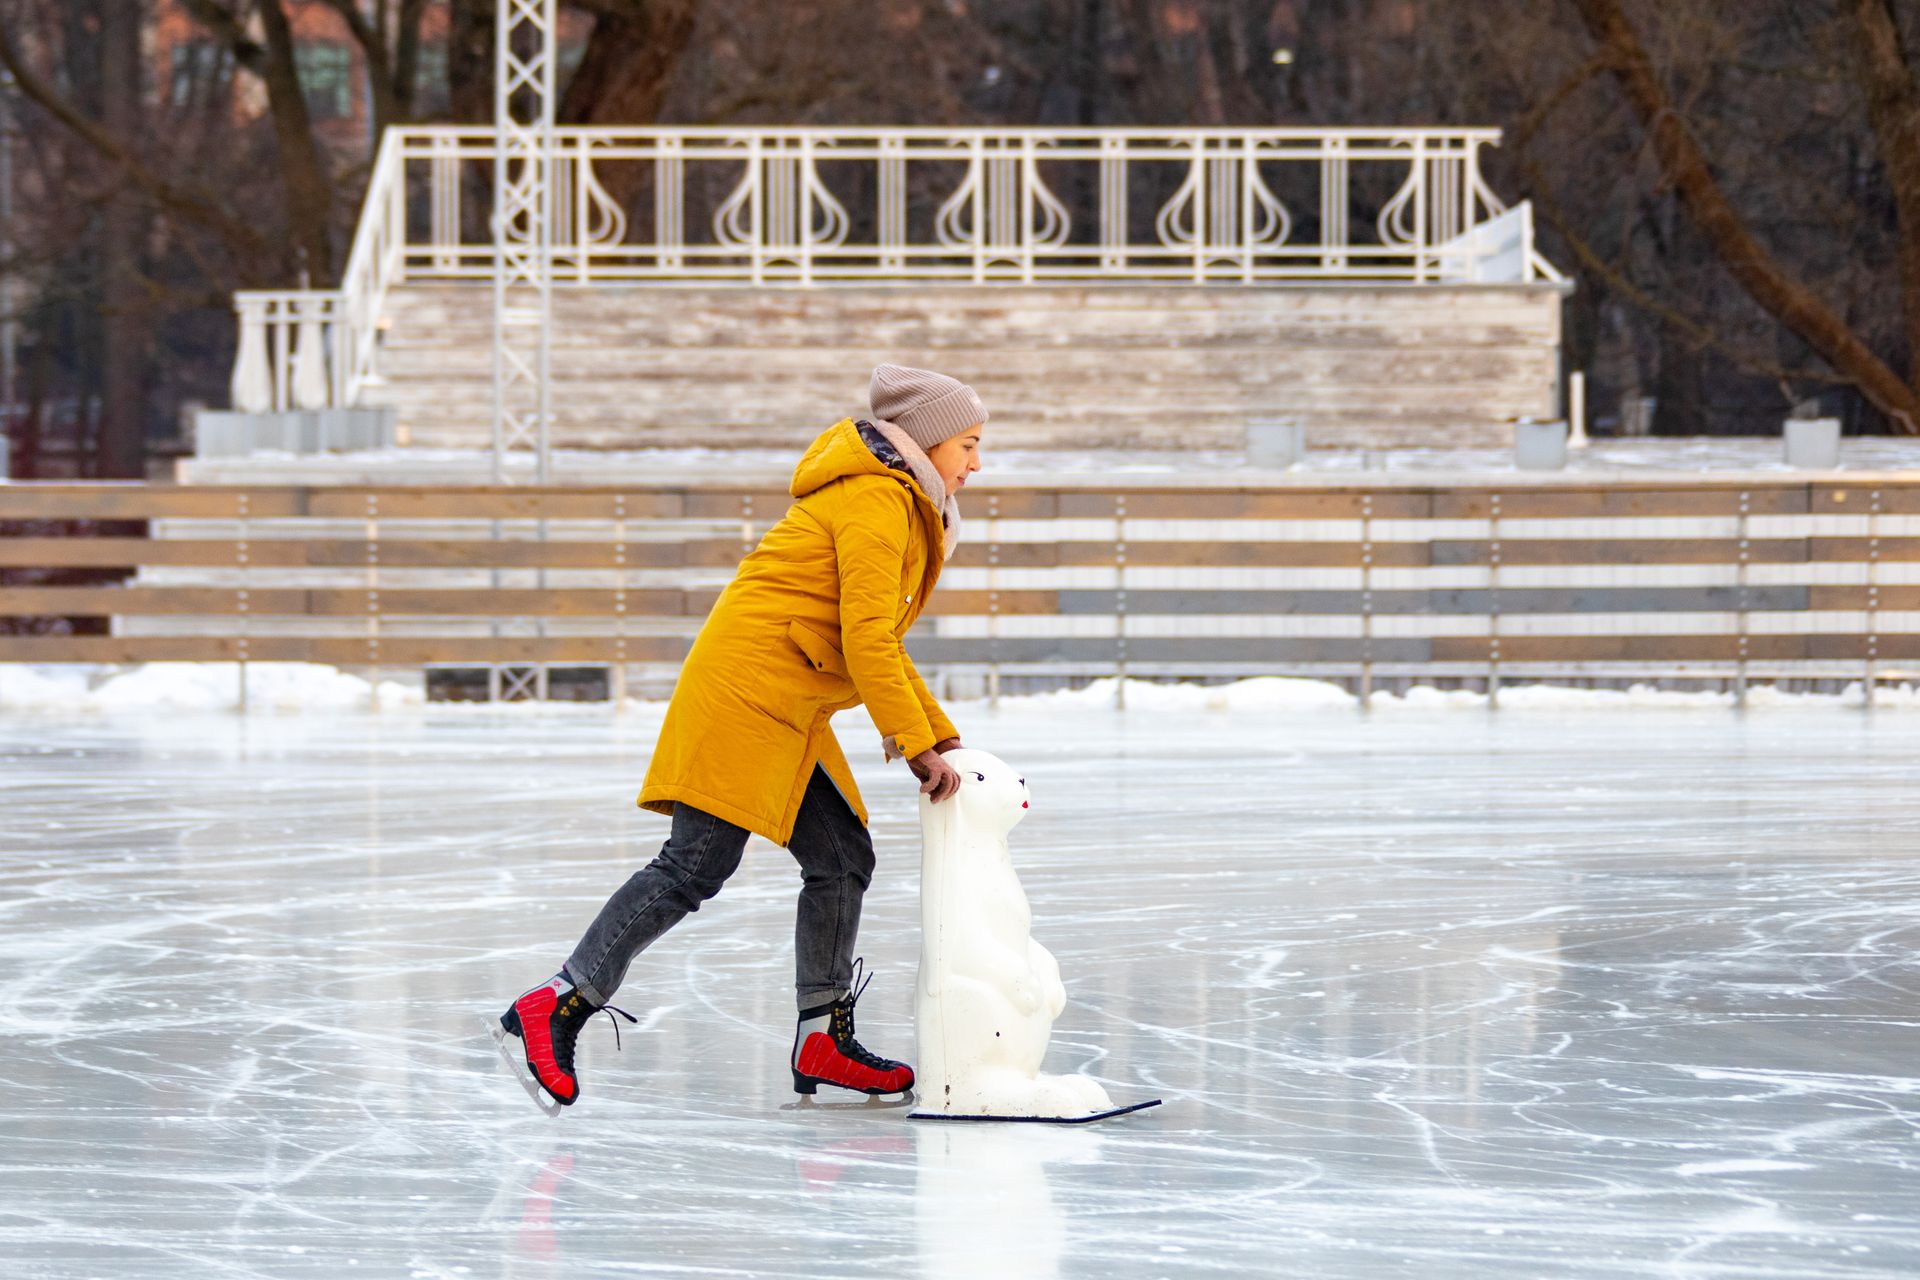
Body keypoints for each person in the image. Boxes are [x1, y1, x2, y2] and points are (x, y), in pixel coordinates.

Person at [495, 365, 988, 1111]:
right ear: (924, 442)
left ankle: (821, 1035)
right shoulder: (879, 501)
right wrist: (916, 744)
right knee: (695, 864)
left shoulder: (896, 500)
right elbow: (867, 640)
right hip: (750, 692)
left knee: (841, 857)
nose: (976, 463)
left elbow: (876, 636)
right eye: (969, 444)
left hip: (788, 698)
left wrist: (941, 737)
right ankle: (559, 1002)